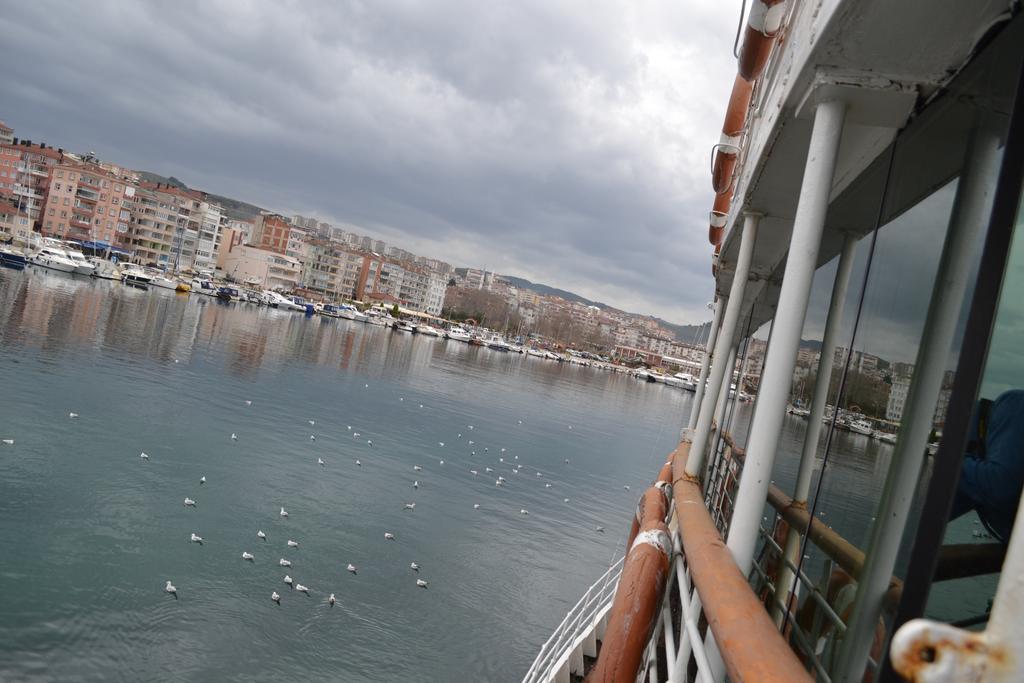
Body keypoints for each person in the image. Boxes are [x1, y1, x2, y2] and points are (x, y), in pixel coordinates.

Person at [950, 389, 1024, 543]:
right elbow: (931, 515)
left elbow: (1001, 485)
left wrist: (950, 461)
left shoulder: (1013, 404)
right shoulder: (978, 478)